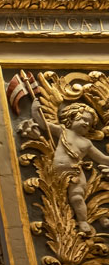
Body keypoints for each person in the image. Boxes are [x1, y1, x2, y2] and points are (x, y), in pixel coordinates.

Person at [29, 99, 109, 235]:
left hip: (75, 173)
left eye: (89, 123)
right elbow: (44, 125)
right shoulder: (62, 131)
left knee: (77, 197)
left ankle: (82, 221)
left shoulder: (86, 143)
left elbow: (102, 158)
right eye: (83, 119)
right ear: (71, 118)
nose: (86, 123)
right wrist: (35, 110)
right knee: (55, 196)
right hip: (55, 172)